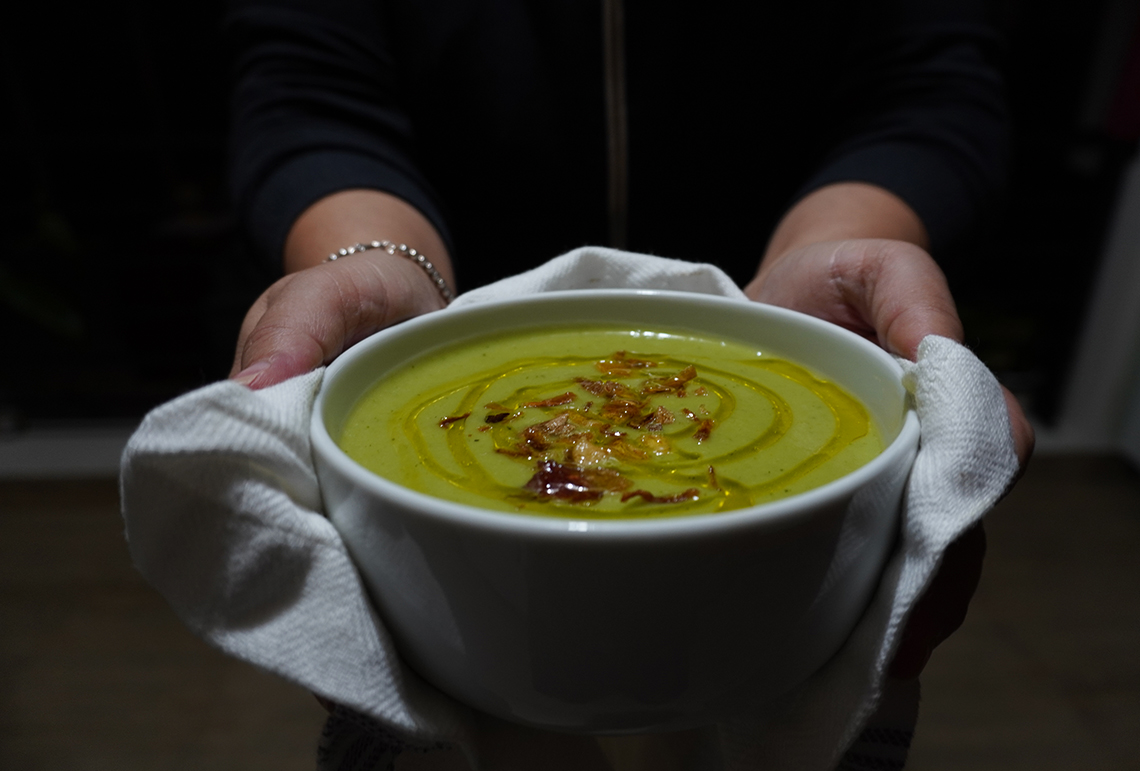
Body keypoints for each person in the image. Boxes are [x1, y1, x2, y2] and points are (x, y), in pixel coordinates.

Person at [224, 0, 1033, 727]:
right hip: (454, 302)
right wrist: (374, 263)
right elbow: (307, 91)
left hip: (777, 302)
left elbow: (930, 87)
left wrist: (834, 250)